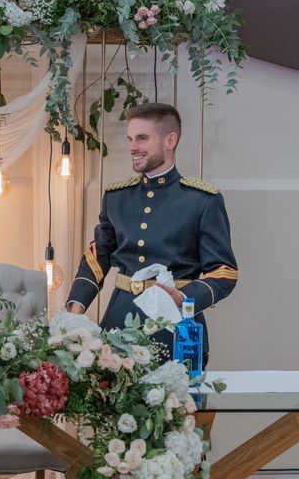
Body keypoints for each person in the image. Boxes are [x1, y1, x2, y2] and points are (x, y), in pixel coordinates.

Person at [66, 102, 237, 366]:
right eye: (131, 139)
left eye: (142, 138)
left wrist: (184, 297)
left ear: (170, 140)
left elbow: (224, 272)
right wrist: (75, 310)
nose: (133, 147)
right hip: (117, 326)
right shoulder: (116, 198)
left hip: (175, 328)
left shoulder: (202, 200)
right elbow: (98, 258)